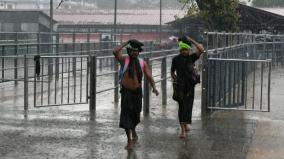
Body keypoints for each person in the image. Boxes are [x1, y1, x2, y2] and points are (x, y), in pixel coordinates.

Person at [113, 39, 159, 150]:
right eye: (132, 50)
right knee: (126, 116)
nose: (134, 52)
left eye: (137, 51)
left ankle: (134, 130)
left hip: (137, 92)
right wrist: (126, 42)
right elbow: (115, 51)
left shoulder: (142, 62)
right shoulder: (124, 60)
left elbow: (149, 76)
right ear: (129, 51)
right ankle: (129, 140)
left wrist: (154, 87)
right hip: (126, 92)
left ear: (139, 52)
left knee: (135, 115)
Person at [171, 36, 205, 138]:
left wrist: (192, 40)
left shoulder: (191, 57)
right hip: (181, 87)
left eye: (186, 49)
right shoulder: (175, 59)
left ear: (189, 50)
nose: (185, 51)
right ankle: (182, 130)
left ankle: (186, 125)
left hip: (190, 86)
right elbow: (172, 72)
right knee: (182, 107)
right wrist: (176, 80)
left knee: (188, 106)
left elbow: (201, 50)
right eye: (183, 50)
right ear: (180, 50)